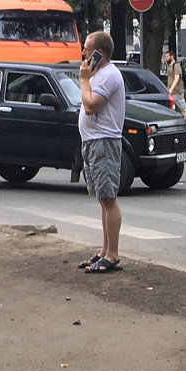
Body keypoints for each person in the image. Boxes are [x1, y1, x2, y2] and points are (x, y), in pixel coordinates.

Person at [77, 32, 126, 274]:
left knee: (108, 198)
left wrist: (84, 80)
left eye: (86, 49)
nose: (83, 53)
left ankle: (112, 255)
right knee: (102, 199)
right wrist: (88, 77)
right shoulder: (98, 74)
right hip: (93, 141)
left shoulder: (108, 75)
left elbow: (90, 106)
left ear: (100, 53)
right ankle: (104, 251)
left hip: (103, 142)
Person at [164, 50, 186, 123]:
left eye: (167, 56)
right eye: (165, 56)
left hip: (177, 91)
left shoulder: (176, 65)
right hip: (171, 92)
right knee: (171, 109)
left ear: (172, 56)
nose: (166, 58)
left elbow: (177, 78)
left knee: (183, 108)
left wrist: (171, 89)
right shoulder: (169, 66)